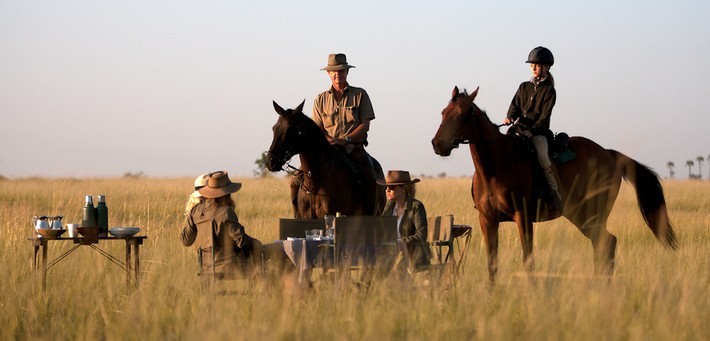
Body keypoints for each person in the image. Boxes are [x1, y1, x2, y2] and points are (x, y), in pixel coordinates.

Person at [504, 46, 563, 209]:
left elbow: (544, 116)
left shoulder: (550, 91)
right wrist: (510, 117)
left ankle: (556, 194)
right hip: (519, 131)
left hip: (539, 134)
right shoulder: (523, 86)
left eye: (537, 65)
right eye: (532, 65)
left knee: (543, 157)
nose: (534, 68)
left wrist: (533, 130)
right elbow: (514, 106)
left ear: (547, 67)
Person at [180, 171, 263, 277]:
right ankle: (262, 290)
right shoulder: (226, 213)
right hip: (232, 266)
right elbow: (242, 241)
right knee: (266, 254)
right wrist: (258, 245)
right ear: (225, 194)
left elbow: (185, 241)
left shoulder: (195, 211)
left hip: (206, 267)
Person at [312, 53, 379, 183]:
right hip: (328, 150)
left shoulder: (360, 94)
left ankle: (370, 203)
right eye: (334, 71)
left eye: (341, 70)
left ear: (347, 71)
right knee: (299, 180)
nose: (338, 74)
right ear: (329, 73)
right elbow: (317, 127)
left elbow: (365, 125)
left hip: (353, 149)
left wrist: (345, 140)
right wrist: (329, 140)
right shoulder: (320, 99)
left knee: (369, 175)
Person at [379, 170, 431, 273]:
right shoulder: (390, 207)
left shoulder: (416, 207)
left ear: (404, 188)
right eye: (386, 187)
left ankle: (370, 285)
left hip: (412, 253)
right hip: (391, 253)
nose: (387, 190)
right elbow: (381, 229)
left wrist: (400, 242)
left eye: (392, 187)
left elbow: (421, 235)